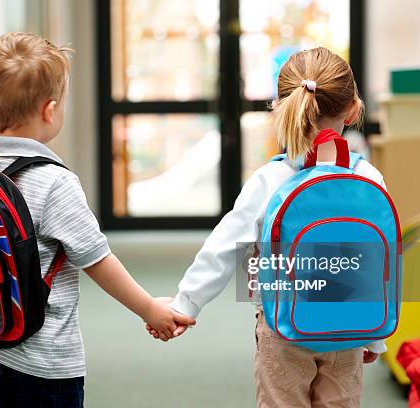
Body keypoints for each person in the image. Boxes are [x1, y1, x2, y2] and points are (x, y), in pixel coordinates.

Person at [0, 32, 195, 408]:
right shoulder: (54, 181)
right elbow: (96, 259)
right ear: (49, 111)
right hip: (44, 364)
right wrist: (150, 309)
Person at [149, 47, 386, 407]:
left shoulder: (269, 180)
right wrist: (374, 336)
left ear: (279, 106)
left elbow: (223, 247)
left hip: (283, 329)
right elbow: (376, 260)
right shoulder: (368, 177)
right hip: (348, 329)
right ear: (353, 109)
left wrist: (186, 304)